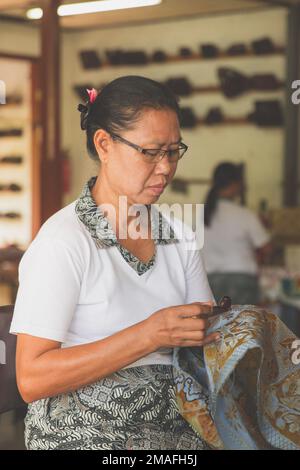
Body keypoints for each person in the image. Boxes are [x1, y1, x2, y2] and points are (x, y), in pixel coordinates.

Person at [10, 76, 219, 450]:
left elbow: (204, 344)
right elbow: (31, 378)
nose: (165, 168)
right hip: (87, 434)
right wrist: (149, 335)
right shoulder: (65, 241)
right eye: (150, 152)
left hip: (178, 428)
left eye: (173, 152)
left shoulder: (179, 236)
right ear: (104, 144)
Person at [203, 162, 272, 305]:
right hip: (242, 282)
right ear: (235, 184)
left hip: (209, 282)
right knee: (244, 326)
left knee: (215, 326)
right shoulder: (245, 215)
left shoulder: (200, 215)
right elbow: (267, 248)